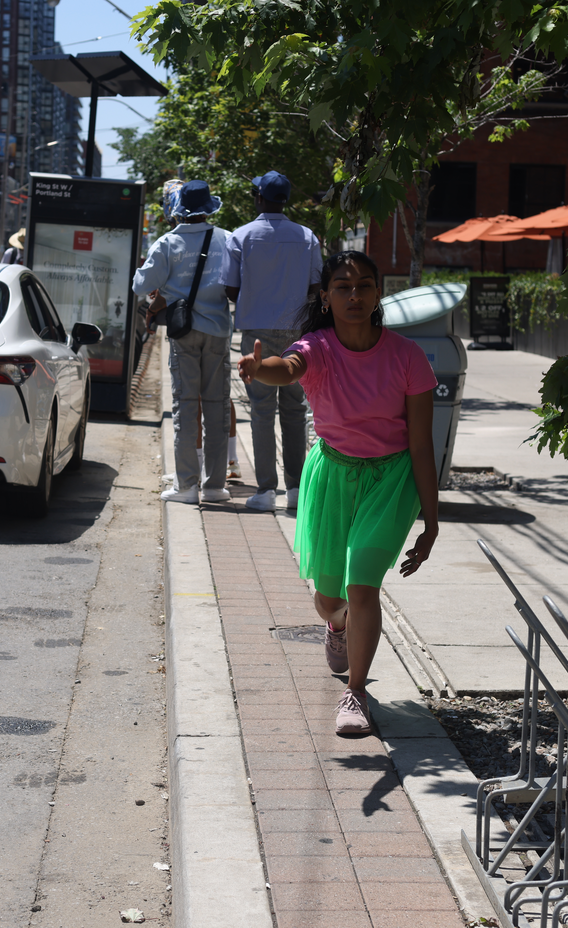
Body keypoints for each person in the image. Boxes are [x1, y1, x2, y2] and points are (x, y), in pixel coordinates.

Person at [238, 251, 440, 735]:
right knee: (331, 599)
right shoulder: (319, 348)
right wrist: (257, 367)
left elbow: (420, 443)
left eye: (364, 286)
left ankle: (356, 692)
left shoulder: (407, 356)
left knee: (363, 582)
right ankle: (337, 626)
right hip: (332, 475)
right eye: (343, 287)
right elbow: (288, 368)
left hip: (390, 483)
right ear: (326, 297)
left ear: (378, 294)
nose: (355, 295)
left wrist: (431, 521)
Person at [222, 170, 323, 511]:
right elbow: (315, 286)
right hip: (298, 330)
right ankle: (296, 490)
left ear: (259, 198)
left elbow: (230, 288)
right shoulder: (307, 237)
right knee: (295, 409)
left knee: (262, 411)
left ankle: (266, 490)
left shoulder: (240, 237)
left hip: (257, 335)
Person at [135, 179, 233, 504]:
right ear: (209, 208)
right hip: (218, 331)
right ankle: (216, 486)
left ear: (179, 209)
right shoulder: (227, 240)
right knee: (216, 407)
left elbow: (141, 285)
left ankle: (187, 486)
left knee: (186, 407)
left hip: (183, 331)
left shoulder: (167, 242)